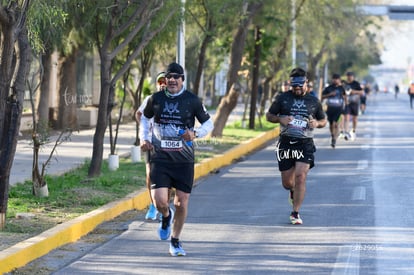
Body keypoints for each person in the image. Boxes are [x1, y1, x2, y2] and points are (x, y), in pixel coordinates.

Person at [139, 62, 213, 256]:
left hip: (184, 161)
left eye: (176, 77)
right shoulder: (155, 99)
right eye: (169, 77)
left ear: (182, 80)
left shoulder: (192, 100)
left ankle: (175, 241)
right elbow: (145, 119)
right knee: (160, 202)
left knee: (182, 202)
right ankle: (166, 215)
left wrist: (195, 133)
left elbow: (208, 123)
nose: (172, 80)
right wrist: (144, 138)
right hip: (160, 158)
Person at [266, 67, 327, 225]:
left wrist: (317, 123)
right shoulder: (283, 98)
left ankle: (295, 212)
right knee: (288, 183)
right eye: (294, 87)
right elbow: (269, 115)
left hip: (305, 144)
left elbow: (323, 120)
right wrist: (280, 119)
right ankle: (292, 191)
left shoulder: (313, 101)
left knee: (301, 177)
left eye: (300, 86)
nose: (297, 89)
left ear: (306, 84)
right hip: (286, 144)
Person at [135, 72, 167, 221]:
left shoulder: (176, 101)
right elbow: (139, 114)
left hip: (169, 144)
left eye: (165, 81)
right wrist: (145, 134)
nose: (163, 84)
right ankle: (153, 205)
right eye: (160, 81)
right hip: (152, 144)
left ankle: (164, 205)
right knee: (150, 174)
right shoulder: (150, 99)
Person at [322, 74, 346, 148]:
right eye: (334, 79)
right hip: (330, 108)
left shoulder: (341, 88)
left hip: (339, 109)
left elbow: (345, 97)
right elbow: (322, 96)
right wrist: (330, 94)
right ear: (332, 79)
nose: (335, 80)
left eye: (337, 79)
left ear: (339, 80)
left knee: (336, 124)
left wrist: (345, 106)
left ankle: (334, 139)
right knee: (331, 124)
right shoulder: (328, 88)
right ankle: (332, 135)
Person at [343, 72, 363, 140]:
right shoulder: (344, 84)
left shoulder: (356, 84)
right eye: (348, 76)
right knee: (347, 118)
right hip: (347, 103)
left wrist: (354, 92)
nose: (349, 77)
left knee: (354, 119)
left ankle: (353, 131)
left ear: (353, 77)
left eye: (350, 76)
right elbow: (342, 93)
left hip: (355, 102)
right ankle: (346, 132)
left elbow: (361, 92)